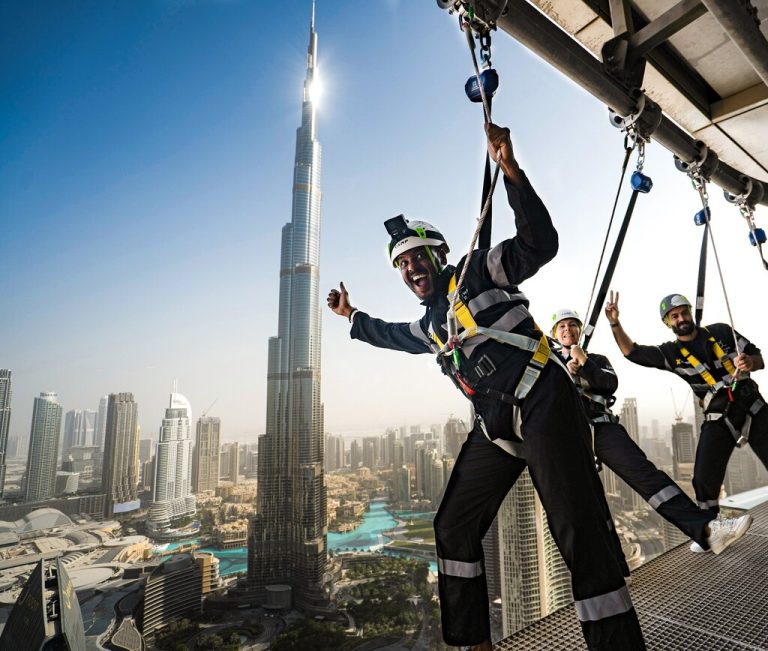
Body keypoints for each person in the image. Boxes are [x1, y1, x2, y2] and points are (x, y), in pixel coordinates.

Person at [327, 124, 646, 651]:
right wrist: (351, 316)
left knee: (578, 536)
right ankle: (475, 644)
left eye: (415, 259)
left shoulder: (478, 271)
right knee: (452, 526)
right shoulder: (430, 326)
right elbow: (388, 334)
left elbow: (539, 244)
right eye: (401, 265)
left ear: (436, 255)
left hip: (543, 402)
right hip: (496, 426)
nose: (410, 270)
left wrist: (512, 174)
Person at [552, 308, 752, 555]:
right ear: (554, 334)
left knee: (647, 476)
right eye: (562, 326)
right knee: (581, 500)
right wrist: (564, 369)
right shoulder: (548, 364)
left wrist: (583, 362)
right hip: (565, 434)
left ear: (579, 331)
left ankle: (707, 530)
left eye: (573, 325)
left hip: (601, 427)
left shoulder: (597, 360)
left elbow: (608, 384)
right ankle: (612, 565)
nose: (567, 330)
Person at [604, 290, 763, 547]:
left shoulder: (722, 332)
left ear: (691, 313)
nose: (681, 319)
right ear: (668, 323)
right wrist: (614, 323)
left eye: (684, 312)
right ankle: (714, 532)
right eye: (674, 316)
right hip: (719, 415)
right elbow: (632, 352)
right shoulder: (672, 353)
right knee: (702, 477)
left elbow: (759, 359)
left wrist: (749, 363)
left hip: (751, 404)